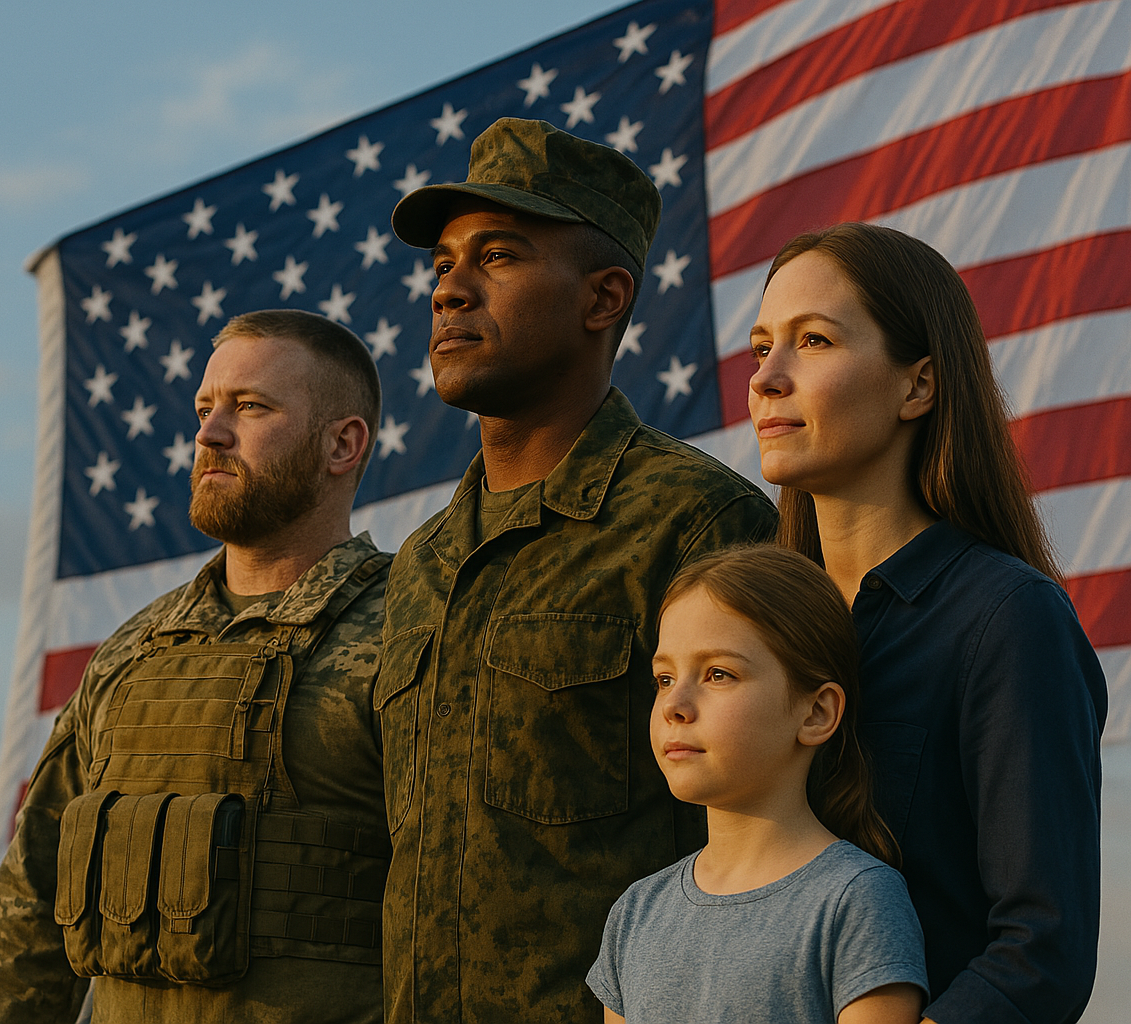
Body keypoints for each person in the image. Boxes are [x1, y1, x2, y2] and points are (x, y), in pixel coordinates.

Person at [377, 117, 779, 1023]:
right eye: (442, 265)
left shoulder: (699, 523)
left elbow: (773, 846)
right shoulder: (420, 567)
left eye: (500, 257)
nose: (451, 292)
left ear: (603, 299)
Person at [0, 309, 394, 1024]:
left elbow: (467, 914)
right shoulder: (132, 654)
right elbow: (29, 907)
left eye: (251, 407)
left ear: (342, 444)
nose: (209, 434)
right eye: (205, 408)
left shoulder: (412, 632)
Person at [749, 222, 1107, 1024]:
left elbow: (1040, 951)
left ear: (918, 386)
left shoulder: (1007, 618)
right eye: (759, 347)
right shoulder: (750, 626)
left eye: (812, 341)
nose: (767, 377)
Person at [587, 544, 927, 1024]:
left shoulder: (856, 901)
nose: (674, 704)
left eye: (718, 674)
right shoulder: (635, 914)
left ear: (816, 712)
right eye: (663, 679)